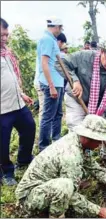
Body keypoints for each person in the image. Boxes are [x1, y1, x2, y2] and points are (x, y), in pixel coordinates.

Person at [15, 115, 106, 218]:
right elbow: (70, 193)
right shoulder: (71, 155)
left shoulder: (79, 141)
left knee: (74, 180)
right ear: (88, 137)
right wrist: (98, 210)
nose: (99, 145)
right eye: (98, 141)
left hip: (44, 188)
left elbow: (91, 165)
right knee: (66, 186)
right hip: (29, 198)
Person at [55, 40, 106, 162]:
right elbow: (60, 63)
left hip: (100, 105)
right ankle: (75, 158)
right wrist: (75, 80)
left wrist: (100, 117)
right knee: (77, 129)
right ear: (102, 52)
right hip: (77, 99)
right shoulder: (84, 57)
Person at [0, 18, 36, 186]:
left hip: (17, 104)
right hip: (2, 109)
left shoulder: (6, 52)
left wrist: (21, 94)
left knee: (29, 126)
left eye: (6, 35)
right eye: (2, 35)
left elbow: (10, 78)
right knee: (2, 143)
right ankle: (6, 172)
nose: (5, 39)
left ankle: (24, 159)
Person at [37, 17, 65, 152]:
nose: (61, 31)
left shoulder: (52, 40)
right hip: (51, 83)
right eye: (61, 28)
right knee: (48, 116)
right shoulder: (47, 39)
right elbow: (44, 63)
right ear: (56, 26)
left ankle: (56, 140)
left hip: (58, 82)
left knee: (58, 114)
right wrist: (51, 85)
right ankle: (44, 147)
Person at [34, 32, 67, 125]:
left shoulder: (49, 51)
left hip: (48, 82)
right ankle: (44, 136)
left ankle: (50, 135)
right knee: (46, 113)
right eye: (61, 44)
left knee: (53, 113)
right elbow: (45, 66)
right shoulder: (48, 49)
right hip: (45, 82)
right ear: (59, 41)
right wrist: (51, 86)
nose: (61, 47)